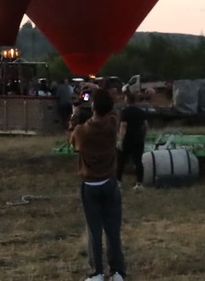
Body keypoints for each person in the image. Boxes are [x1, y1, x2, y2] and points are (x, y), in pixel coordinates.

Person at [70, 86, 126, 281]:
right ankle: (117, 272)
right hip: (110, 182)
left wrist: (75, 115)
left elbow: (72, 140)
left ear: (92, 106)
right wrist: (99, 90)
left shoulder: (81, 131)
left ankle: (97, 273)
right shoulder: (112, 126)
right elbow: (111, 111)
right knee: (113, 230)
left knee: (94, 231)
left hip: (90, 185)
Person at [118, 100, 150, 186]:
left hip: (127, 139)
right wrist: (143, 135)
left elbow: (123, 126)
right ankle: (139, 183)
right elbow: (146, 125)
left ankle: (119, 181)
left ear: (126, 100)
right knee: (138, 161)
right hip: (138, 139)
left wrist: (120, 140)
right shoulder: (141, 112)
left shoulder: (125, 112)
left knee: (121, 161)